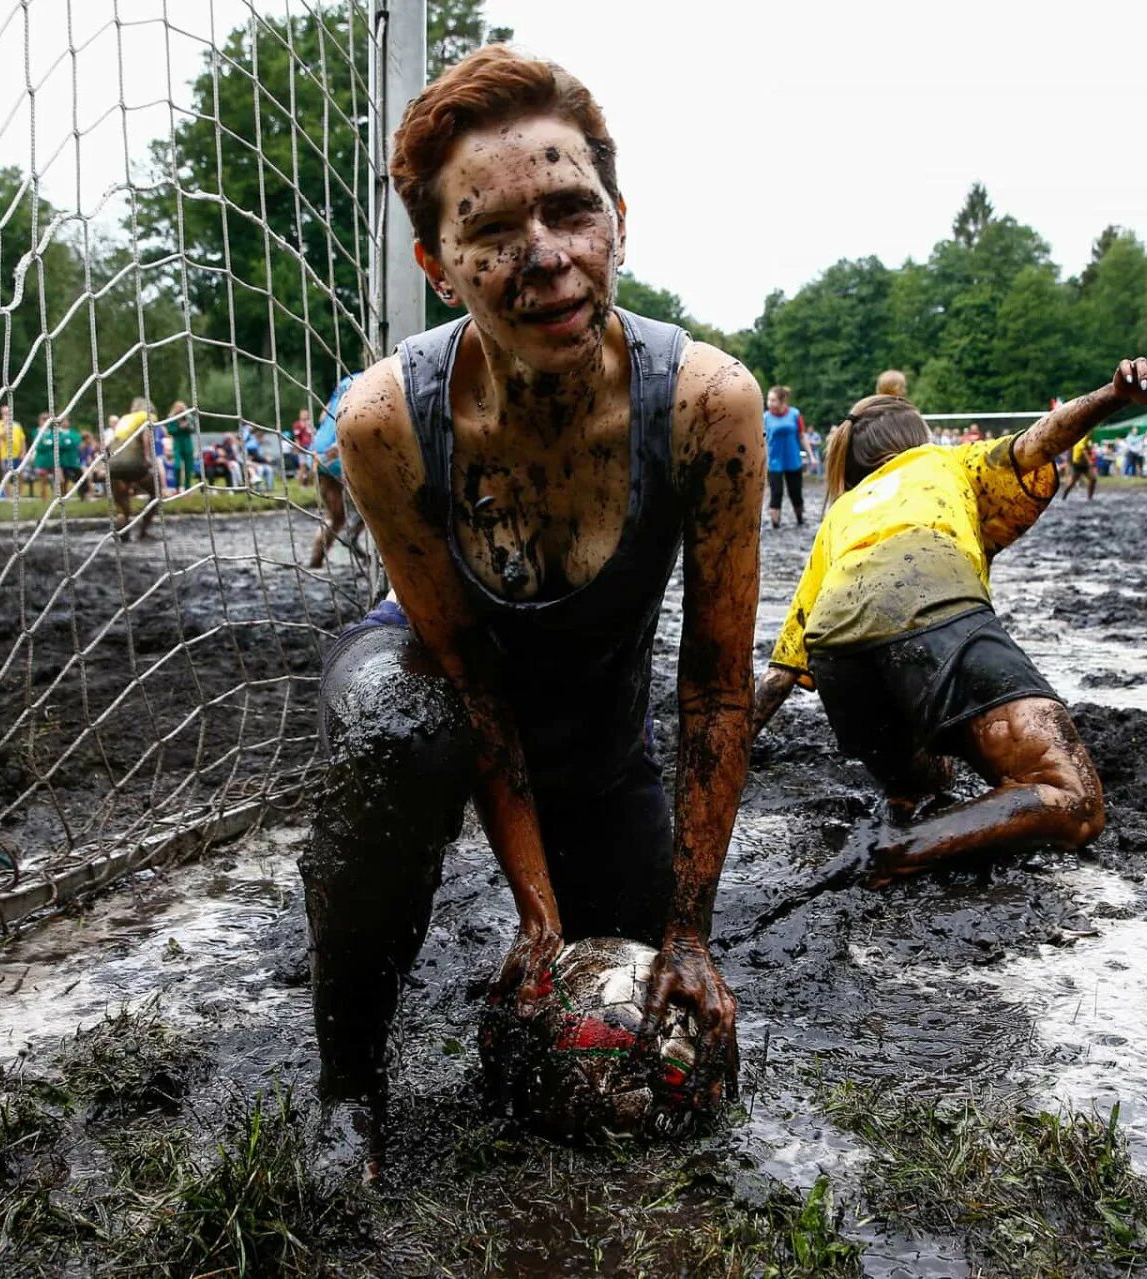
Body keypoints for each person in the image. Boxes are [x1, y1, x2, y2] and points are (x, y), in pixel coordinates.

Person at [304, 45, 761, 1178]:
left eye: (571, 210)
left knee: (652, 1013)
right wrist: (532, 910)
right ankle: (346, 1091)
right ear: (439, 263)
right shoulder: (383, 421)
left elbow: (712, 683)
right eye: (495, 233)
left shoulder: (708, 406)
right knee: (405, 734)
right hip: (428, 680)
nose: (546, 258)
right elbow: (465, 671)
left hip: (598, 736)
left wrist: (689, 929)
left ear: (618, 220)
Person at [752, 357, 1147, 885]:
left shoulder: (841, 513)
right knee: (1073, 798)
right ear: (917, 437)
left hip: (841, 661)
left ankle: (908, 806)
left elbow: (779, 673)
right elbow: (1039, 441)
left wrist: (725, 750)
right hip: (934, 608)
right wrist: (1114, 395)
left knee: (929, 780)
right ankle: (903, 849)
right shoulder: (942, 462)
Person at [307, 372, 361, 568]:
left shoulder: (346, 381)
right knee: (382, 500)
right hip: (340, 449)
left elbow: (323, 415)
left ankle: (315, 563)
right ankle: (353, 534)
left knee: (335, 517)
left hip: (318, 449)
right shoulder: (375, 378)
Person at [106, 397, 161, 538]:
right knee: (156, 491)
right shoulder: (148, 416)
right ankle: (144, 530)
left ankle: (122, 524)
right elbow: (146, 436)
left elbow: (112, 441)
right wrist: (149, 458)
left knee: (122, 500)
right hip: (133, 461)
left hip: (114, 462)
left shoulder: (124, 418)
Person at [763, 385, 806, 528]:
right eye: (768, 400)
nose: (769, 403)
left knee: (796, 493)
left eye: (773, 400)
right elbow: (761, 440)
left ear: (782, 401)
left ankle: (800, 518)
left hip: (793, 459)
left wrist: (811, 455)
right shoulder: (766, 417)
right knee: (776, 493)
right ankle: (775, 524)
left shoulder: (794, 414)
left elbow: (801, 436)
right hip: (774, 461)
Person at [165, 400, 200, 490]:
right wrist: (179, 427)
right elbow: (169, 431)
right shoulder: (172, 418)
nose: (181, 411)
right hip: (177, 444)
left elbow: (193, 429)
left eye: (182, 410)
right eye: (179, 410)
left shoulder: (189, 417)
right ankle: (177, 487)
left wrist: (187, 426)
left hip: (188, 444)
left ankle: (187, 488)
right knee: (177, 466)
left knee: (188, 468)